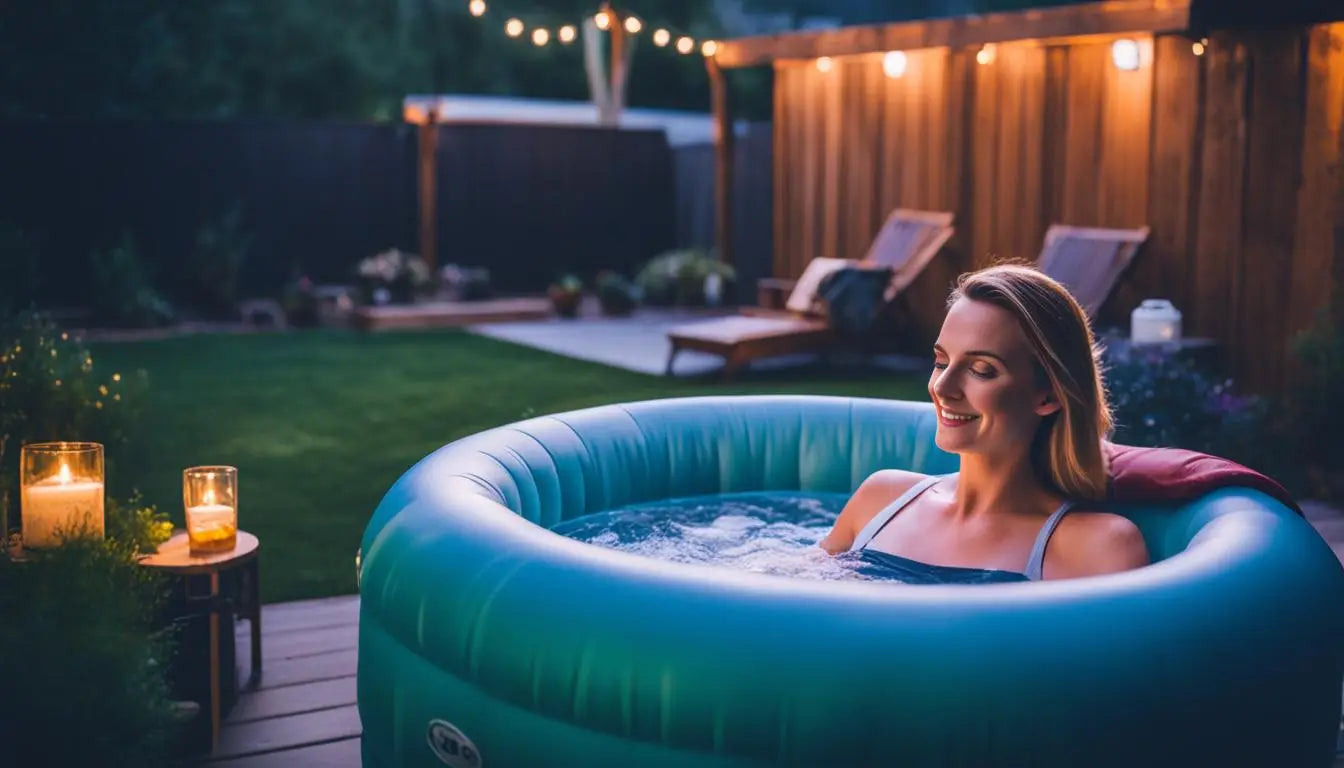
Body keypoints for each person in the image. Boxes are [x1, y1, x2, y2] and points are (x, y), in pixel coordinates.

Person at [819, 263, 1150, 582]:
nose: (942, 388)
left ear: (1048, 396)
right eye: (940, 361)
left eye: (981, 370)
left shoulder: (1097, 547)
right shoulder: (881, 499)